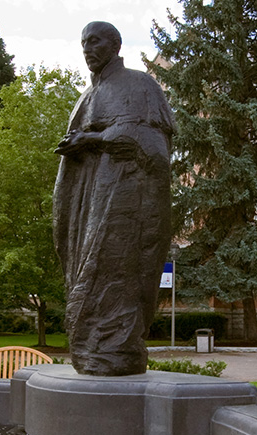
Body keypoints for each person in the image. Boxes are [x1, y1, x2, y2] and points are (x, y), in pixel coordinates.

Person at [53, 21, 175, 376]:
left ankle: (115, 350)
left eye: (95, 41)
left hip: (126, 202)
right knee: (85, 273)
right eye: (83, 43)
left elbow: (153, 147)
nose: (87, 49)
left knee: (115, 273)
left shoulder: (140, 85)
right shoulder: (87, 96)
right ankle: (93, 349)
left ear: (115, 45)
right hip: (88, 203)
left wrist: (94, 140)